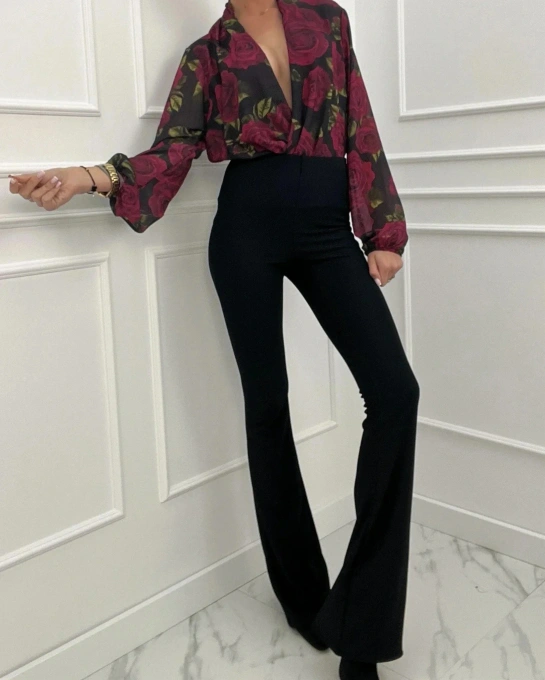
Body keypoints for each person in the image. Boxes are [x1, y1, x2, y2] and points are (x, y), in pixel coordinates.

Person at [8, 1, 420, 678]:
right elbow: (170, 153)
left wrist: (382, 230)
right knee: (268, 409)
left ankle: (362, 631)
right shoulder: (208, 53)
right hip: (244, 234)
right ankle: (303, 597)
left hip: (326, 231)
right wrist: (86, 177)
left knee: (395, 393)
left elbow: (361, 125)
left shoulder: (328, 18)